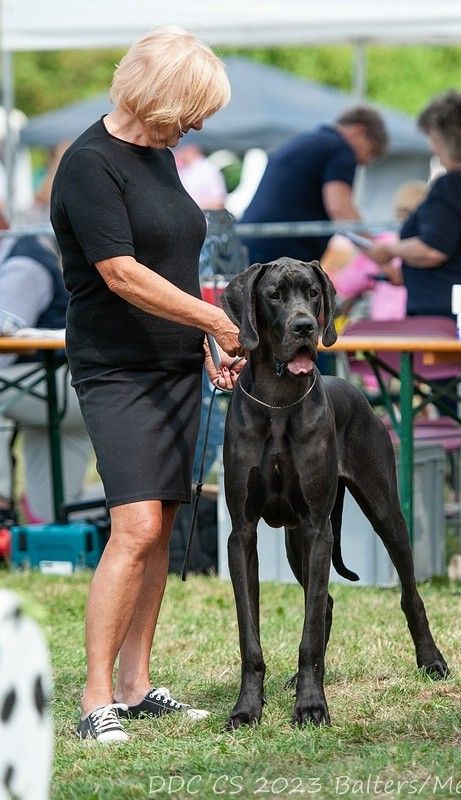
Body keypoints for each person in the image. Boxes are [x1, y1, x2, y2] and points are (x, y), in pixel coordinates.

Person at [50, 26, 245, 743]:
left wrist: (202, 337)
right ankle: (94, 699)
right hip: (117, 368)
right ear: (159, 97)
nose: (197, 126)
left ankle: (135, 686)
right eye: (191, 111)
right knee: (133, 527)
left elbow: (173, 266)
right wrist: (217, 320)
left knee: (160, 524)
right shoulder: (89, 165)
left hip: (173, 365)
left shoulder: (159, 157)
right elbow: (123, 274)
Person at [368, 91, 461, 317]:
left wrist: (389, 249)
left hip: (441, 312)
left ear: (451, 139)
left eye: (433, 138)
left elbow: (433, 249)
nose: (432, 147)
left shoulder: (451, 187)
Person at [0, 209, 94, 524]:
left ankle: (0, 504)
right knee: (53, 513)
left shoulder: (22, 265)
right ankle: (154, 508)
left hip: (61, 384)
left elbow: (4, 342)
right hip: (64, 385)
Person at [239, 107, 389, 264]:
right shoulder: (340, 149)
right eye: (371, 153)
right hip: (280, 255)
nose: (366, 162)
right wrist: (374, 248)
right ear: (359, 131)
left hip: (249, 243)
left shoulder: (306, 139)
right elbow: (340, 208)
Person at [325, 180, 427, 323]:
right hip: (422, 324)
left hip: (384, 326)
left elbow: (348, 285)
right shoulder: (430, 247)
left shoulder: (381, 245)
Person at [173, 142, 227, 210]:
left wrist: (190, 206)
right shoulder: (181, 167)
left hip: (203, 214)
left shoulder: (209, 169)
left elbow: (219, 202)